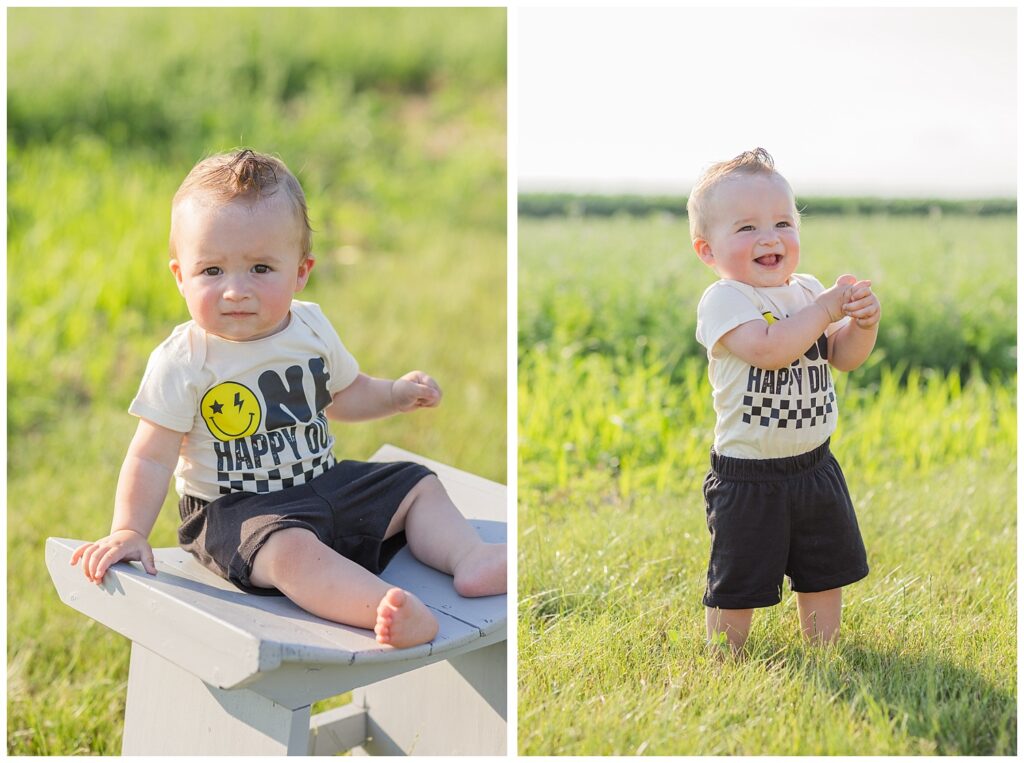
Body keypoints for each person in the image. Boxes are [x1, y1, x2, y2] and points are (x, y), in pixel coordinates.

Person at [71, 148, 506, 648]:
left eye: (260, 268)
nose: (236, 290)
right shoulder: (185, 359)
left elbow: (345, 395)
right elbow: (150, 455)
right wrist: (128, 529)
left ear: (301, 272)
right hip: (235, 512)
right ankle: (383, 608)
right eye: (212, 271)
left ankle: (469, 558)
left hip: (323, 484)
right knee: (290, 552)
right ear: (179, 276)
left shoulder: (310, 326)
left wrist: (395, 394)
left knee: (416, 484)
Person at [689, 148, 881, 655]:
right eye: (747, 228)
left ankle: (824, 649)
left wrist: (862, 324)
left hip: (814, 465)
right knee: (740, 577)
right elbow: (771, 350)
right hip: (749, 474)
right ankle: (726, 657)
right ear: (708, 251)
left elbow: (842, 356)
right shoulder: (726, 301)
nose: (770, 237)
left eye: (782, 222)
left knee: (824, 569)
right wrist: (823, 309)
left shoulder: (807, 291)